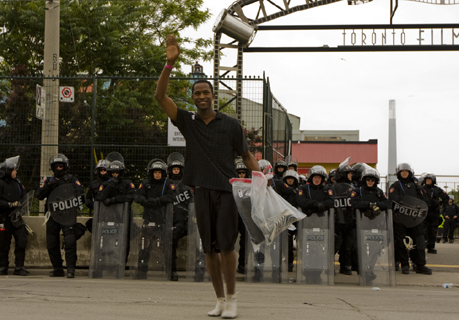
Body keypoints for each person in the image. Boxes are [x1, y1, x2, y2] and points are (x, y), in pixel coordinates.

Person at [155, 34, 260, 319]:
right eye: (197, 93)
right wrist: (169, 63)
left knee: (226, 247)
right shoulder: (187, 122)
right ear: (193, 97)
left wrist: (262, 177)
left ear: (213, 96)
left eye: (206, 93)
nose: (201, 96)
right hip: (201, 190)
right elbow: (160, 97)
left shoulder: (231, 125)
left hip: (226, 192)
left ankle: (233, 298)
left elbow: (247, 156)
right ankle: (220, 300)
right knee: (209, 250)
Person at [35, 153, 84, 278]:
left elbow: (80, 195)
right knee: (51, 242)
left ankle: (70, 269)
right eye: (56, 166)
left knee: (70, 242)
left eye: (60, 166)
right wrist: (49, 185)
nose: (58, 168)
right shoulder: (48, 180)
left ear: (65, 166)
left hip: (67, 215)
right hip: (52, 215)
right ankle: (57, 268)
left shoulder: (72, 179)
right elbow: (39, 195)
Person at [134, 159, 175, 279]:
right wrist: (145, 202)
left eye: (159, 172)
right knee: (144, 247)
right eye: (155, 172)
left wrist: (158, 201)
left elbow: (172, 196)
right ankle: (141, 271)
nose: (157, 174)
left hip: (163, 221)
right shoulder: (146, 183)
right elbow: (137, 195)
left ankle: (170, 271)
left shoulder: (168, 183)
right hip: (149, 220)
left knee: (168, 247)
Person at [388, 163, 432, 275]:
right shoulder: (395, 186)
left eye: (406, 171)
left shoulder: (417, 187)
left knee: (420, 242)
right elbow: (392, 200)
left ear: (410, 173)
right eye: (402, 171)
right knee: (402, 243)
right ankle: (404, 265)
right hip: (400, 220)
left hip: (415, 220)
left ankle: (420, 265)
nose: (404, 173)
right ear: (398, 173)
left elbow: (425, 202)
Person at [350, 167, 390, 283]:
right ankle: (361, 270)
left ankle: (368, 271)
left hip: (375, 225)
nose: (370, 182)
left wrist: (375, 205)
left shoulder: (379, 192)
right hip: (359, 225)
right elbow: (354, 202)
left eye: (372, 180)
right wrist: (369, 205)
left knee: (374, 250)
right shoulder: (358, 191)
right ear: (364, 180)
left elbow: (387, 203)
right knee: (357, 248)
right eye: (368, 180)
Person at [297, 165, 333, 283]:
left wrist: (317, 206)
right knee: (307, 250)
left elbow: (331, 201)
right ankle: (307, 273)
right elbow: (300, 201)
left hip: (322, 225)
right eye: (315, 177)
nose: (317, 180)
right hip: (307, 225)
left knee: (320, 251)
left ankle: (317, 273)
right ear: (311, 178)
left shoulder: (326, 189)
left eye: (319, 178)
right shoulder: (303, 188)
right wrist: (315, 205)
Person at [0, 156, 29, 276]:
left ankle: (19, 267)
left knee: (22, 240)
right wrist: (9, 204)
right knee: (3, 243)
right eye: (13, 170)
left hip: (16, 217)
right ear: (8, 171)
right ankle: (2, 266)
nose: (15, 172)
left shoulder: (17, 183)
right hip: (4, 217)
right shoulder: (0, 183)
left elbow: (24, 196)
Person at [167, 154, 194, 281]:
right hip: (168, 221)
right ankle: (171, 270)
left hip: (184, 222)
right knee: (171, 239)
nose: (176, 171)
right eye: (174, 169)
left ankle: (199, 269)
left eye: (178, 169)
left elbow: (192, 204)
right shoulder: (166, 184)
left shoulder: (186, 186)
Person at [421, 173, 449, 253]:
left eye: (429, 180)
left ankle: (431, 247)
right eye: (427, 180)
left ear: (433, 181)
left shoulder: (437, 190)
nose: (428, 181)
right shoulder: (421, 189)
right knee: (423, 230)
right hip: (424, 212)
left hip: (434, 213)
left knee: (433, 231)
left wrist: (441, 205)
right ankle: (423, 245)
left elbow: (446, 198)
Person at [85, 159, 110, 233]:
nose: (103, 172)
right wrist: (93, 206)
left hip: (112, 212)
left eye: (105, 170)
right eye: (101, 170)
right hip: (98, 213)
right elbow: (88, 198)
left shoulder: (113, 183)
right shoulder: (94, 184)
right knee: (90, 224)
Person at [235, 162, 249, 275]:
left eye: (243, 172)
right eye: (239, 173)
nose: (241, 175)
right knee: (229, 242)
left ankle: (242, 265)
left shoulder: (249, 185)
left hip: (244, 216)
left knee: (244, 242)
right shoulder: (232, 184)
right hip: (233, 216)